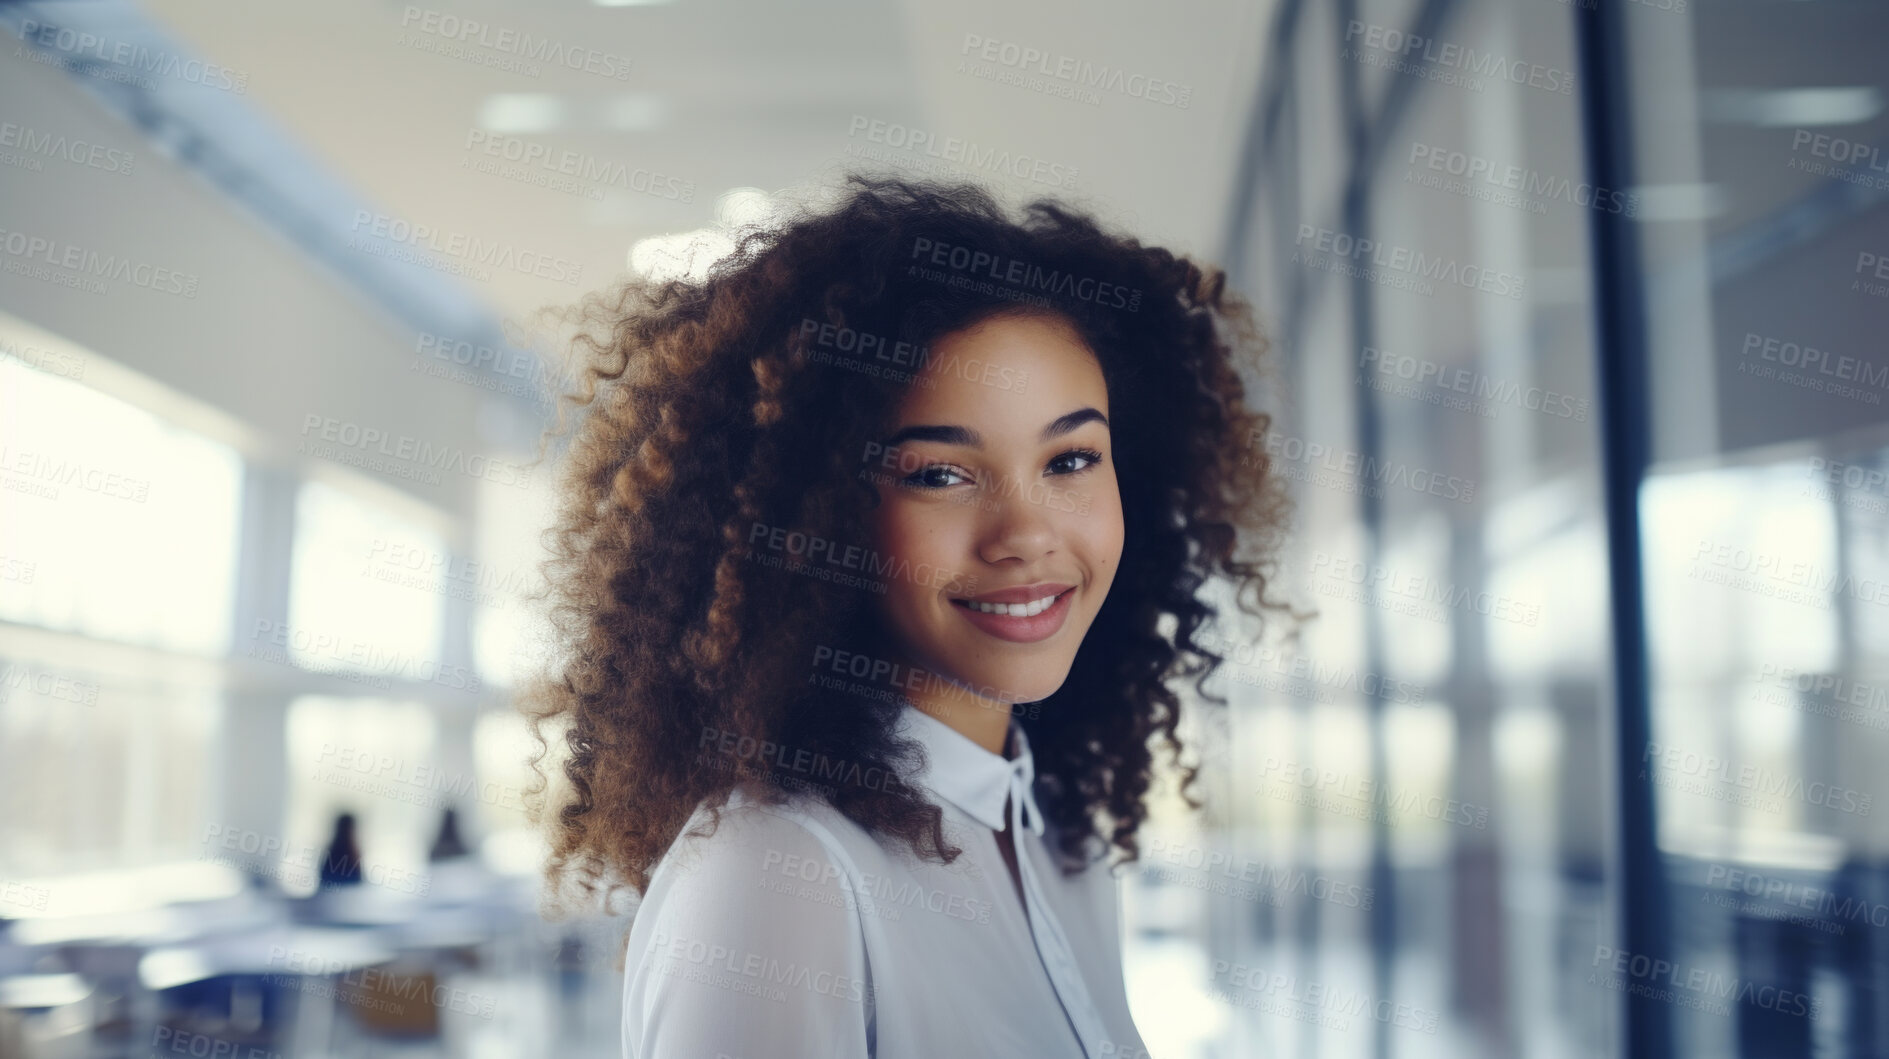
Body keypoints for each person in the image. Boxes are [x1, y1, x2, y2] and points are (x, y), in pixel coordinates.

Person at [519, 174, 1291, 1057]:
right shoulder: (777, 877)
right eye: (939, 473)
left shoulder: (1059, 843)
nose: (1026, 536)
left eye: (1071, 459)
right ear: (811, 521)